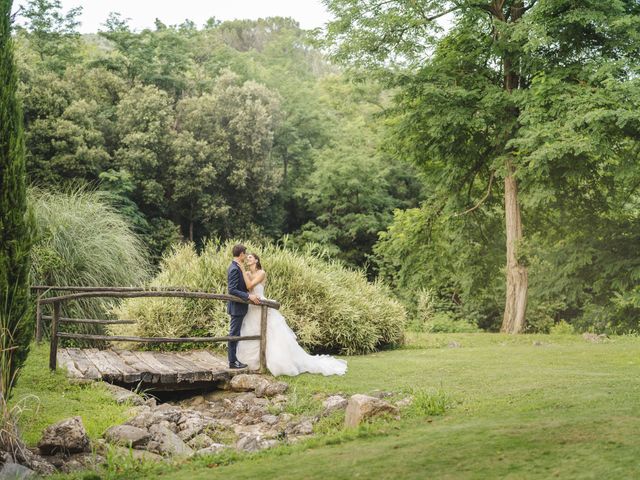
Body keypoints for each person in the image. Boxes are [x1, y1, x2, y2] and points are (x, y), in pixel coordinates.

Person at [236, 252, 347, 376]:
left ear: (256, 260)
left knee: (272, 334)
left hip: (263, 305)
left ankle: (276, 362)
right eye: (247, 258)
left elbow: (250, 285)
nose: (247, 259)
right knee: (252, 331)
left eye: (250, 257)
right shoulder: (247, 274)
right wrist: (244, 273)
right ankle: (254, 362)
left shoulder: (262, 273)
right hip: (252, 306)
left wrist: (242, 270)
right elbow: (246, 288)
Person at [226, 244, 260, 369]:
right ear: (241, 254)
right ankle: (232, 362)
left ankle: (234, 360)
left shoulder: (237, 267)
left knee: (236, 333)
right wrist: (248, 296)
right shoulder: (235, 268)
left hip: (238, 307)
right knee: (234, 334)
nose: (245, 256)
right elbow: (232, 290)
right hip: (237, 307)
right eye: (244, 254)